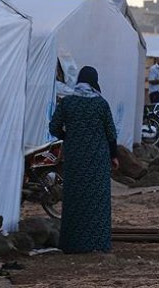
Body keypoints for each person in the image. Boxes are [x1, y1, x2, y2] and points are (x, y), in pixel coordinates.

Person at [48, 66, 119, 253]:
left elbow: (53, 127)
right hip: (98, 159)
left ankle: (72, 243)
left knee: (75, 199)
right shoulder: (101, 104)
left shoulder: (67, 102)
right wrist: (114, 156)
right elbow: (111, 133)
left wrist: (68, 137)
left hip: (75, 159)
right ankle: (98, 243)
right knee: (97, 201)